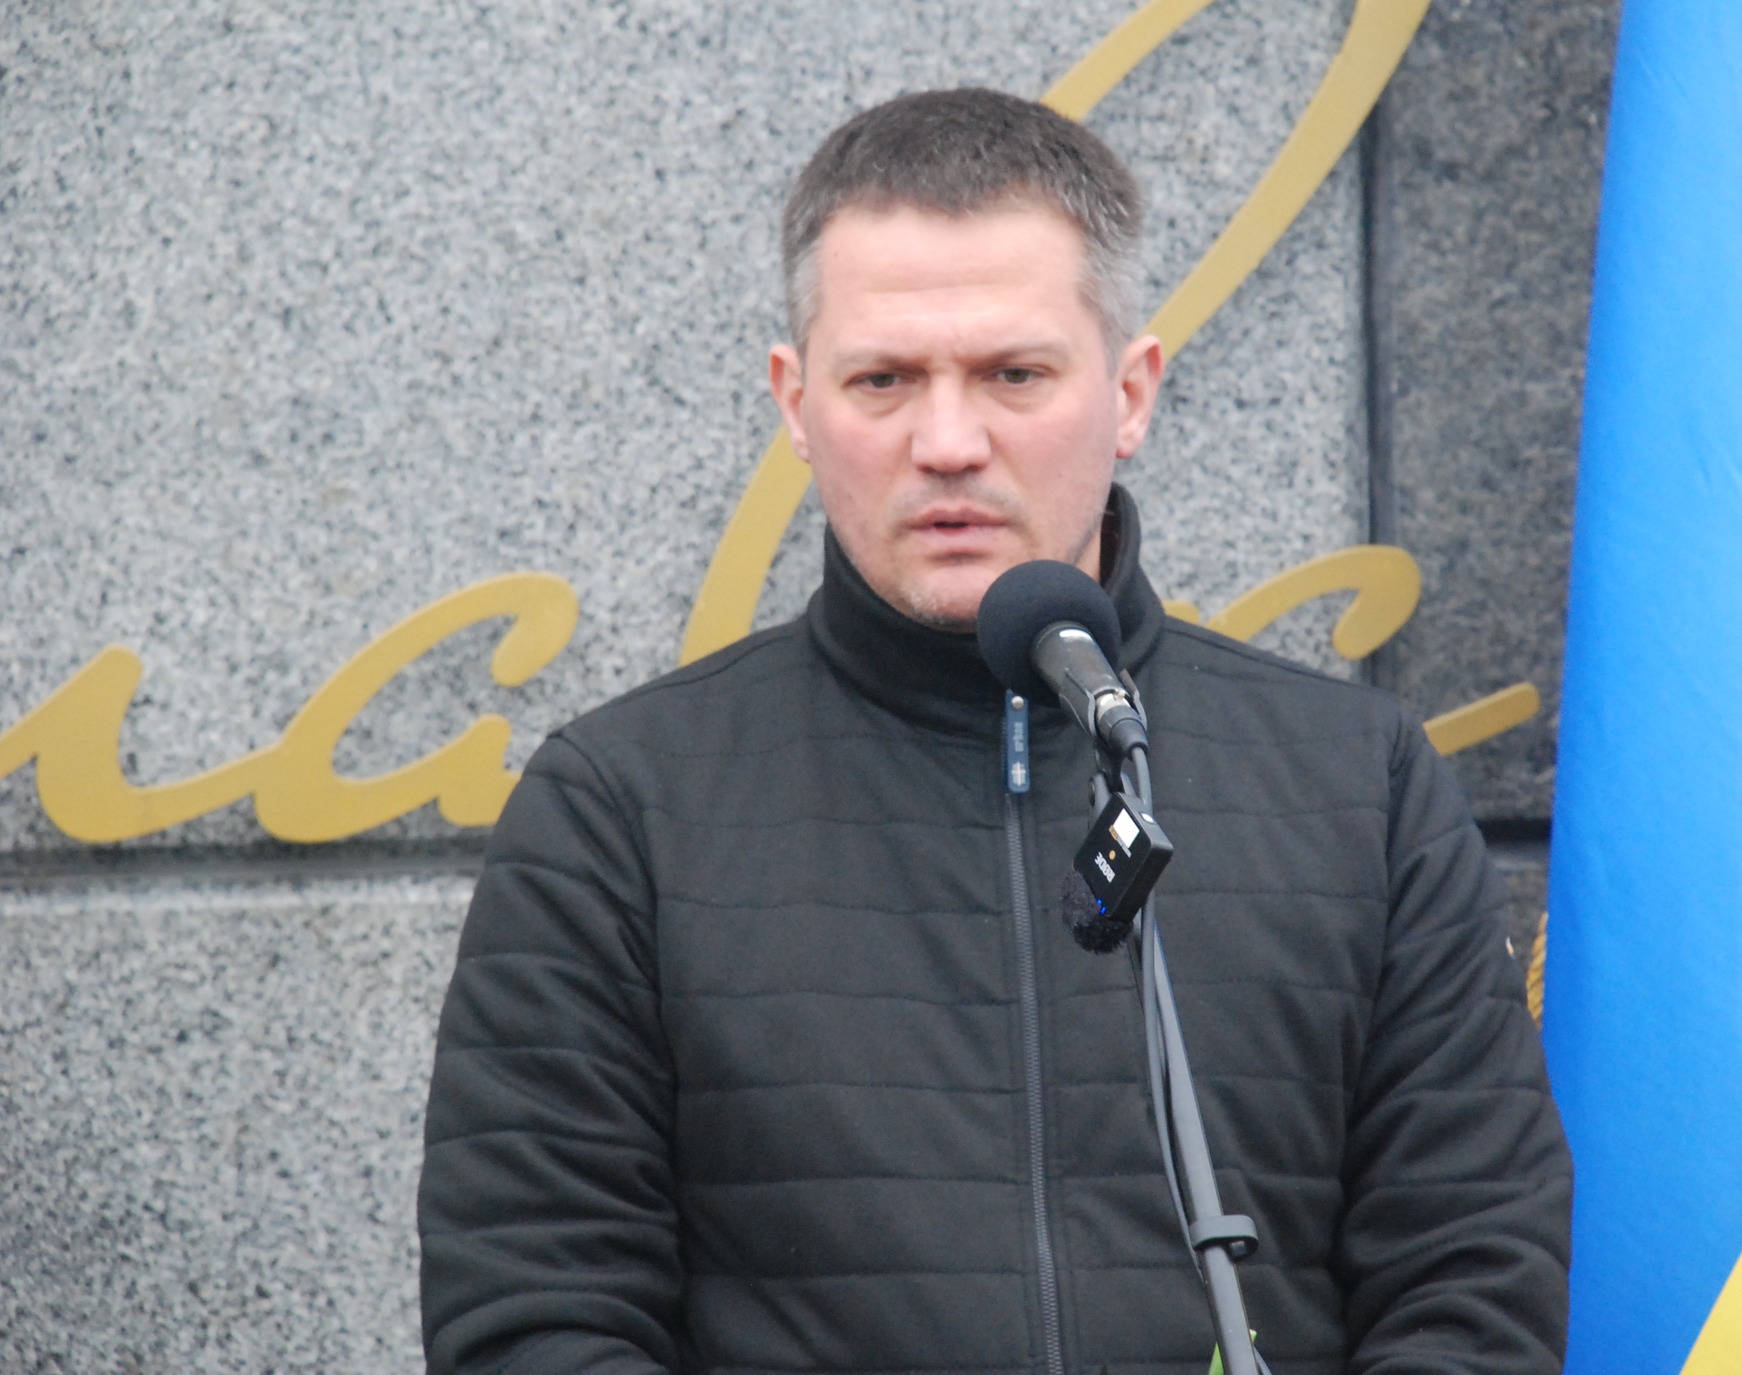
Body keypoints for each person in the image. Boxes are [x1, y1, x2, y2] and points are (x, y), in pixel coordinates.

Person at [418, 87, 1572, 1375]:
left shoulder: (1360, 784)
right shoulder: (619, 811)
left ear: (1130, 392)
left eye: (1014, 375)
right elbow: (536, 1317)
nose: (948, 442)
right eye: (883, 380)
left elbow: (1475, 1282)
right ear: (795, 404)